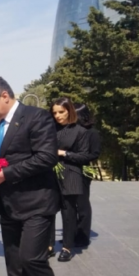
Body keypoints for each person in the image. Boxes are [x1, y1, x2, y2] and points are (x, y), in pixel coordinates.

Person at [0, 77, 59, 276]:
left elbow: (47, 157)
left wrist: (5, 174)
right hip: (8, 205)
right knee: (14, 265)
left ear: (4, 96)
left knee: (32, 260)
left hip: (36, 203)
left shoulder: (36, 117)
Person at [47, 97, 90, 261]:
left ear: (69, 111)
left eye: (61, 112)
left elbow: (84, 156)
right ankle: (49, 245)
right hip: (50, 175)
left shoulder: (80, 131)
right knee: (48, 211)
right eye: (55, 113)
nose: (58, 116)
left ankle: (67, 247)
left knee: (69, 213)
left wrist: (63, 153)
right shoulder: (50, 129)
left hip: (71, 174)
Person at [73, 103, 100, 247]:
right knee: (71, 206)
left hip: (83, 171)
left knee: (82, 204)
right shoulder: (71, 130)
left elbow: (95, 153)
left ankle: (82, 236)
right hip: (69, 169)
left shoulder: (92, 132)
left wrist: (78, 157)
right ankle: (71, 234)